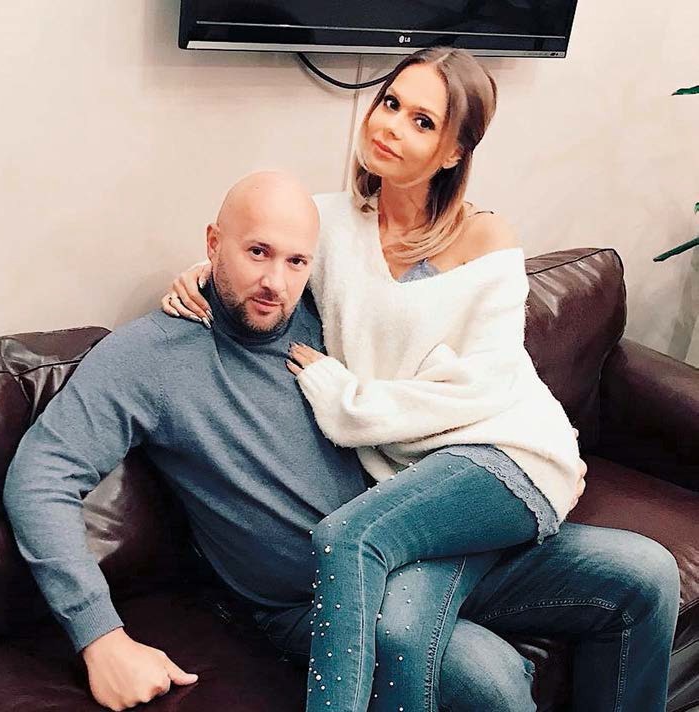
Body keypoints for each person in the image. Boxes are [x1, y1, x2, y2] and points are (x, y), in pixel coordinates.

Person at [162, 50, 681, 712]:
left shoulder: (487, 238)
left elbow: (484, 388)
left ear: (452, 151)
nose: (390, 126)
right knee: (411, 629)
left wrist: (349, 401)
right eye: (389, 103)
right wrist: (197, 276)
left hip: (501, 457)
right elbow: (257, 256)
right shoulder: (328, 226)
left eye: (421, 121)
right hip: (413, 484)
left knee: (348, 537)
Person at [3, 170, 546, 712]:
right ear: (213, 243)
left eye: (295, 261)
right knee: (490, 677)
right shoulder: (149, 356)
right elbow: (40, 476)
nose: (275, 283)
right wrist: (101, 638)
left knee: (604, 569)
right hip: (312, 604)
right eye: (257, 252)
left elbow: (461, 355)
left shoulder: (328, 313)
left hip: (417, 549)